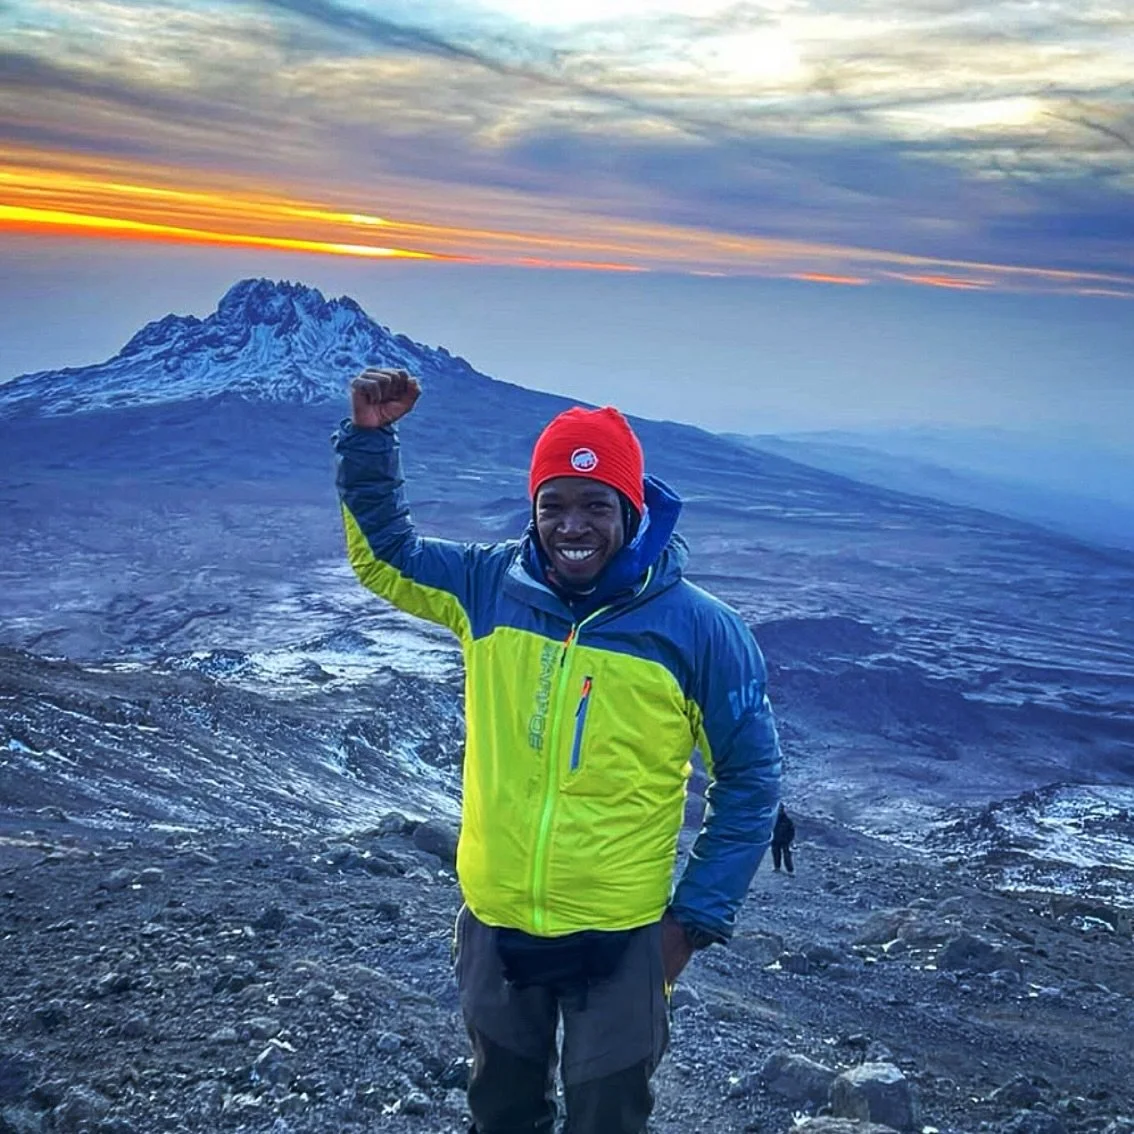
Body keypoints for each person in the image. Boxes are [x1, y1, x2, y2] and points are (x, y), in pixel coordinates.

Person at [333, 368, 782, 1134]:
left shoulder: (699, 630)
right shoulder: (486, 588)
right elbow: (385, 555)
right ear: (533, 510)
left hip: (624, 936)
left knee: (608, 1117)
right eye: (554, 506)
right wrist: (371, 441)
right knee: (501, 1112)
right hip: (497, 921)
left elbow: (750, 780)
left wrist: (688, 927)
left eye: (596, 505)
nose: (573, 526)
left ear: (632, 512)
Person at [771, 803, 795, 875]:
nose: (779, 811)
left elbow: (792, 831)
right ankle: (777, 867)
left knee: (787, 856)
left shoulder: (787, 820)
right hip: (775, 840)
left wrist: (789, 839)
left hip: (785, 841)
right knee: (776, 854)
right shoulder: (773, 819)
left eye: (780, 809)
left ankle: (790, 871)